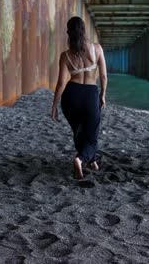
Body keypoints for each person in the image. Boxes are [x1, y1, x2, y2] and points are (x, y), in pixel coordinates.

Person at [51, 16, 107, 179]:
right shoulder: (97, 49)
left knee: (79, 130)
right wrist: (102, 94)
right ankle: (80, 159)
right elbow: (103, 76)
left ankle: (91, 161)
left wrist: (54, 105)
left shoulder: (65, 55)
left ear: (69, 33)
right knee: (92, 133)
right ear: (84, 31)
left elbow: (61, 82)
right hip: (90, 94)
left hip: (71, 95)